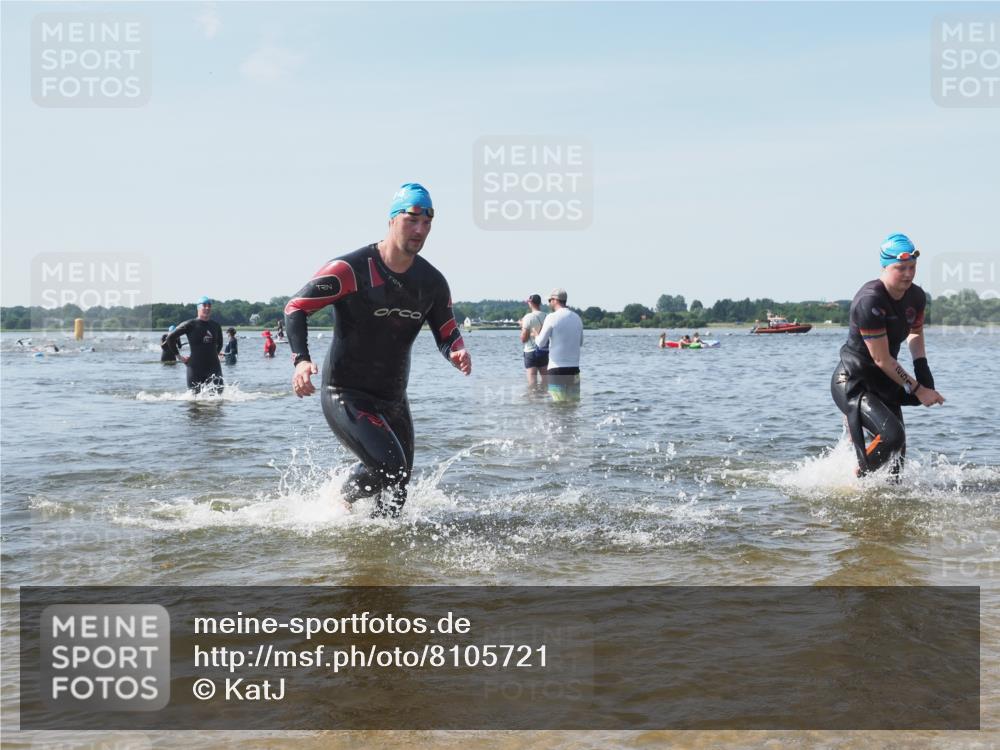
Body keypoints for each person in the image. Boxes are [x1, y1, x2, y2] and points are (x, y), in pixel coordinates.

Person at [284, 182, 472, 518]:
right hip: (346, 393)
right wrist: (301, 360)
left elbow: (446, 332)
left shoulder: (431, 282)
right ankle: (340, 498)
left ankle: (383, 562)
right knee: (391, 467)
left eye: (427, 223)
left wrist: (456, 350)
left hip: (394, 400)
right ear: (391, 219)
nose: (420, 230)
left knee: (398, 491)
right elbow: (295, 308)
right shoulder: (351, 270)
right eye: (412, 219)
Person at [831, 233, 945, 478]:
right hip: (853, 381)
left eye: (912, 267)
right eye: (900, 268)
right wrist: (918, 390)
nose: (908, 274)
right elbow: (882, 359)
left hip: (885, 379)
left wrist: (923, 374)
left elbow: (915, 333)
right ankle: (850, 481)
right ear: (884, 266)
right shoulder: (870, 300)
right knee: (892, 436)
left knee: (896, 465)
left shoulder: (916, 296)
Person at [162, 296, 224, 393]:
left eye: (209, 306)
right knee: (194, 402)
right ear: (198, 307)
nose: (207, 308)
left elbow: (220, 344)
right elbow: (170, 338)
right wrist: (179, 356)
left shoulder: (215, 326)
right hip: (195, 368)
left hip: (214, 367)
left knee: (218, 398)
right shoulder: (190, 324)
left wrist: (214, 356)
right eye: (204, 305)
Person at [535, 288, 583, 402]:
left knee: (557, 406)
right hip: (574, 369)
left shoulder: (551, 317)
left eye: (550, 300)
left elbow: (540, 343)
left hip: (556, 370)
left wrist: (536, 334)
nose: (549, 303)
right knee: (573, 405)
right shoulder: (577, 318)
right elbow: (580, 342)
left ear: (555, 300)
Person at [520, 294, 548, 386]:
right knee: (545, 382)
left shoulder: (528, 317)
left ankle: (534, 399)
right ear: (540, 303)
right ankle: (544, 398)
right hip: (544, 351)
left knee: (532, 384)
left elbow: (523, 339)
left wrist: (522, 326)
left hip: (530, 352)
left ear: (530, 303)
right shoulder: (547, 316)